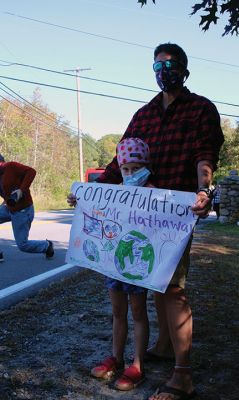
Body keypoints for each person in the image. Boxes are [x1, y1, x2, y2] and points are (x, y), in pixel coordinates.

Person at [68, 42, 224, 399]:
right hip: (138, 213)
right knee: (154, 279)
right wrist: (88, 192)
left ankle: (182, 374)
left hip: (175, 213)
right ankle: (165, 348)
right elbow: (118, 160)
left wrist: (204, 190)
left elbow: (205, 154)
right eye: (157, 66)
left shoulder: (201, 108)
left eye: (169, 66)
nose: (163, 72)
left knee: (171, 287)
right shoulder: (144, 113)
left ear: (184, 69)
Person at [68, 138, 154, 391]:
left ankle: (138, 364)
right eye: (125, 168)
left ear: (146, 166)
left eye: (136, 168)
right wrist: (80, 201)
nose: (130, 173)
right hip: (113, 263)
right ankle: (116, 358)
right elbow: (96, 211)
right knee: (117, 311)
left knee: (138, 313)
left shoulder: (156, 194)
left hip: (137, 264)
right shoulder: (113, 190)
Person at [0, 155, 54, 261]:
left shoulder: (11, 166)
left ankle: (46, 246)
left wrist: (21, 189)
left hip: (23, 211)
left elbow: (31, 171)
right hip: (9, 208)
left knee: (23, 245)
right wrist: (5, 201)